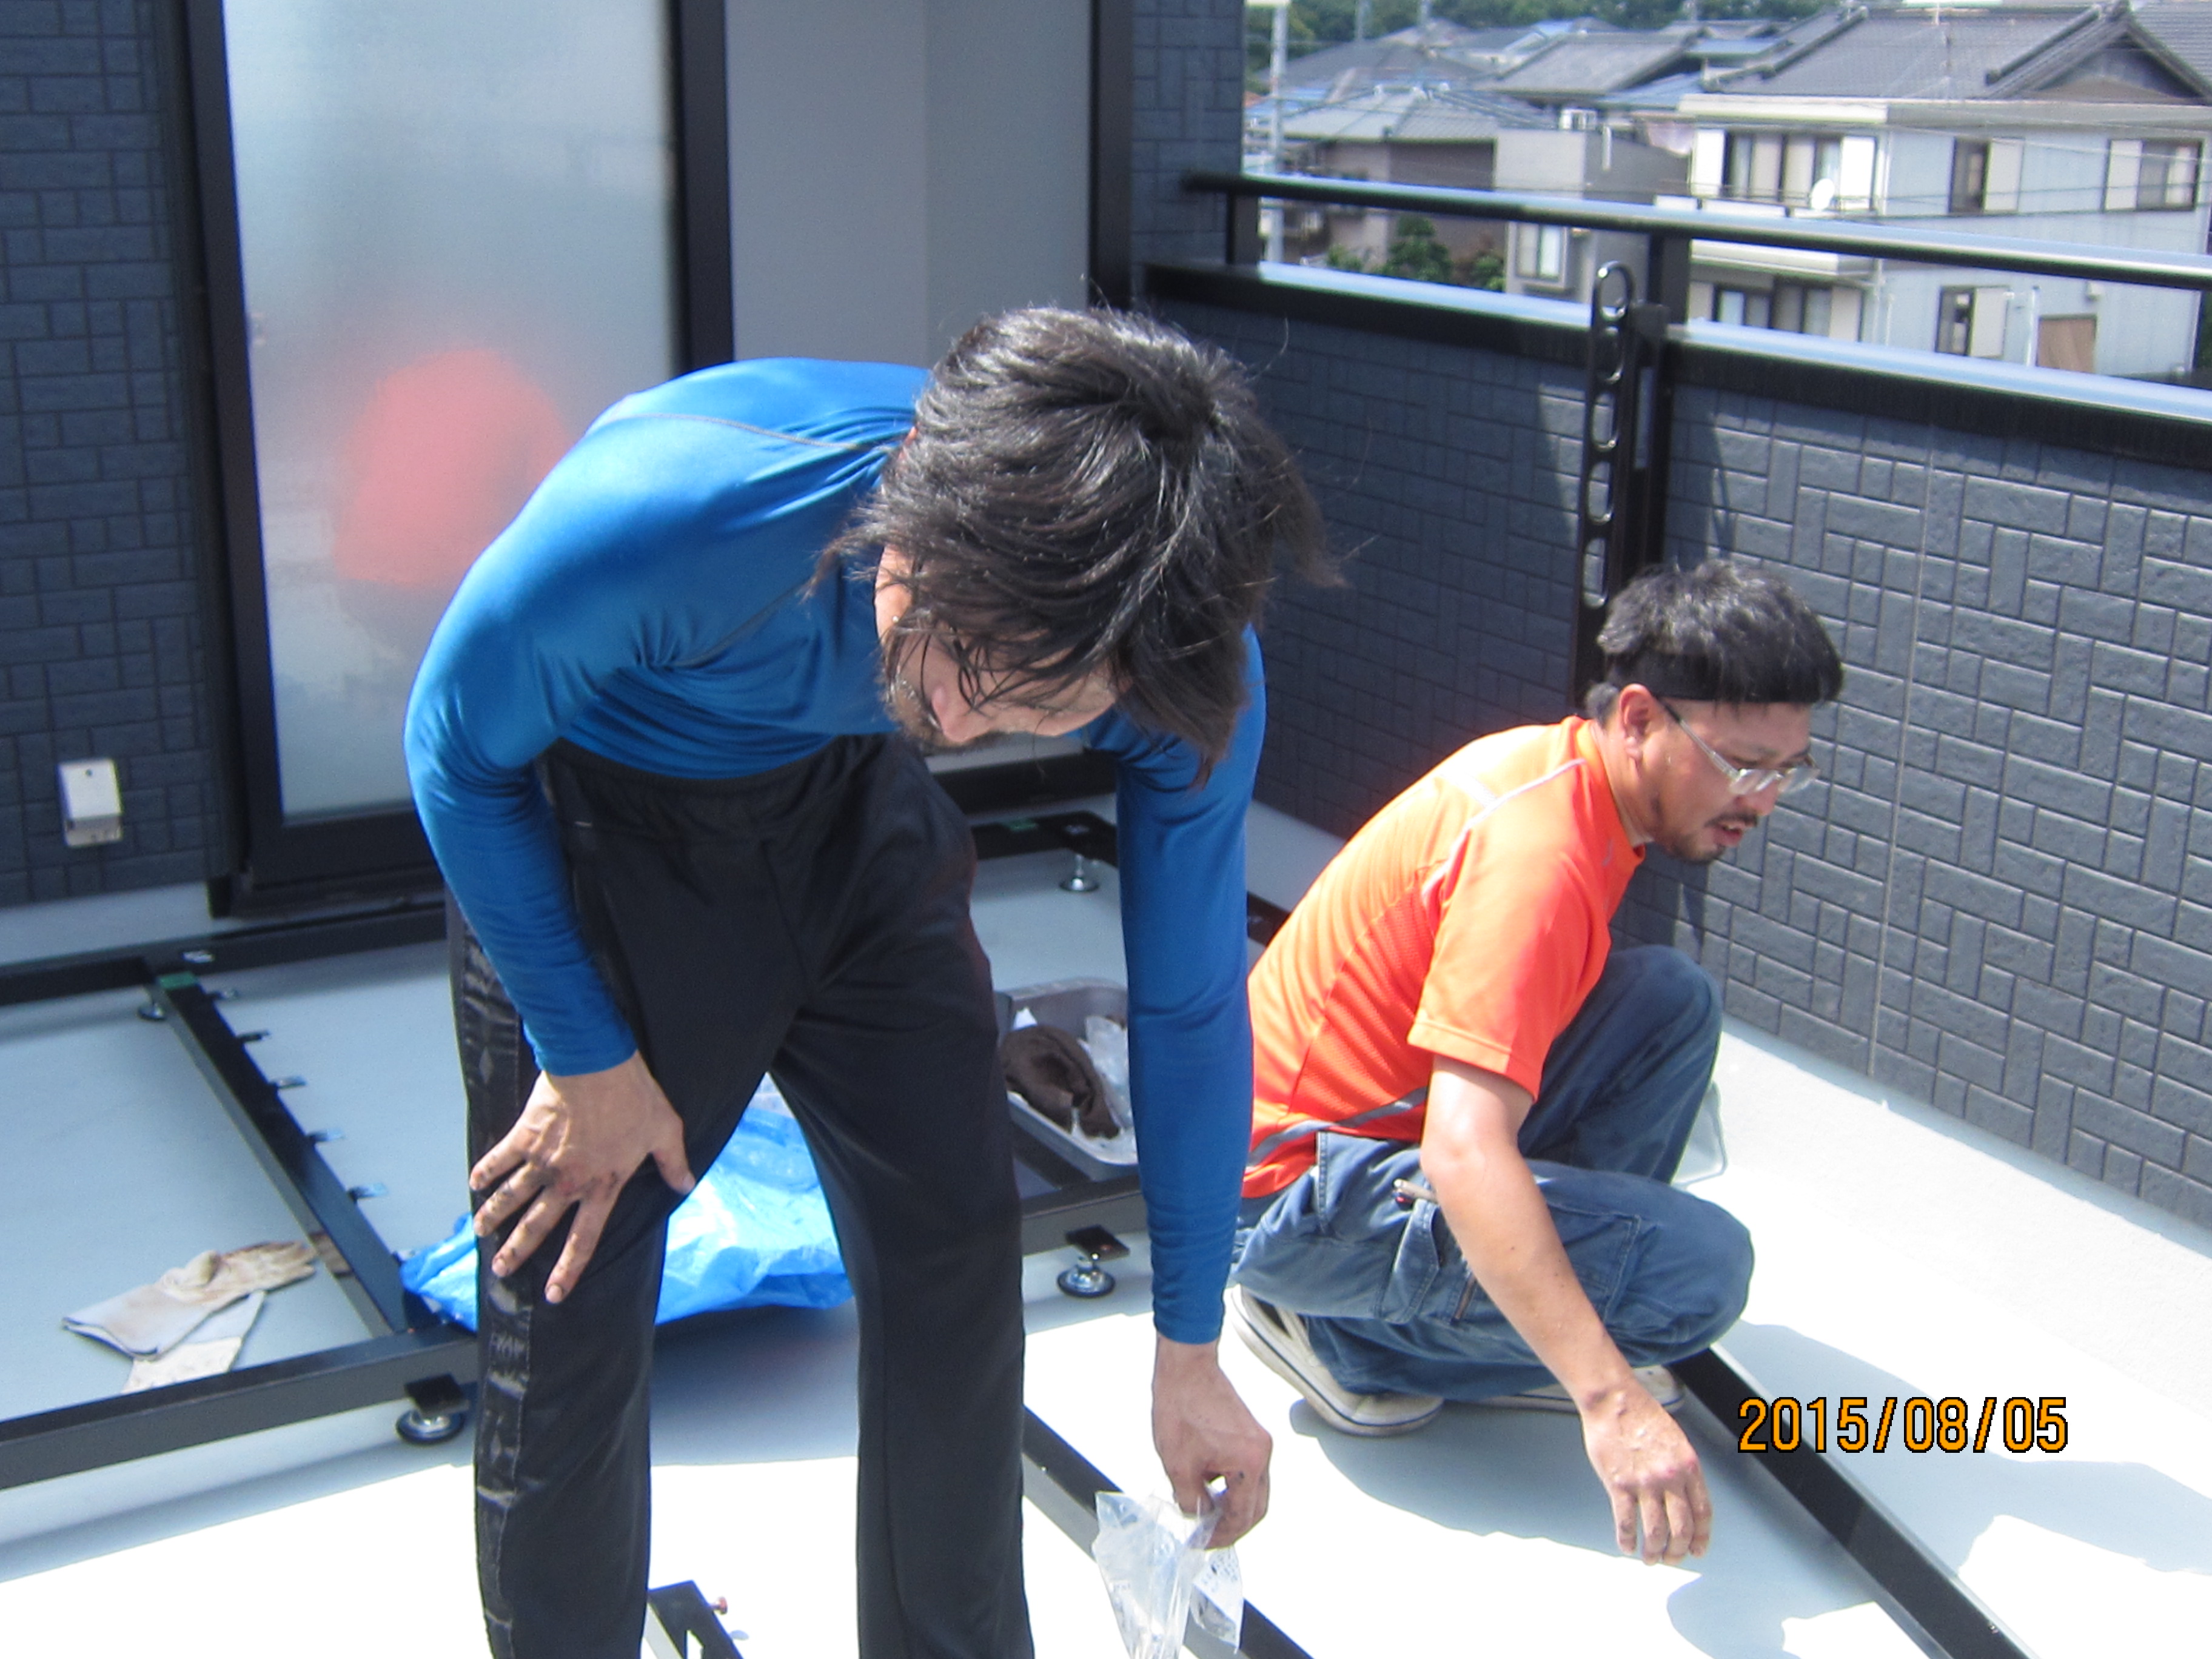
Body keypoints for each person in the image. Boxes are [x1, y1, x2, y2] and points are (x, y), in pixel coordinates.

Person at [403, 307, 1326, 1659]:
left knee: (957, 1238)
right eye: (957, 654)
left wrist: (1190, 1348)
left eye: (1022, 710)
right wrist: (584, 1053)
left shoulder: (1179, 657)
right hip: (603, 819)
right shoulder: (686, 512)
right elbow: (451, 749)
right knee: (569, 1289)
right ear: (920, 527)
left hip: (851, 797)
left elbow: (1189, 1006)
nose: (957, 719)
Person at [1224, 560, 1844, 1567]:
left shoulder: (1565, 779)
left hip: (1347, 1142)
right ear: (1638, 719)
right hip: (1290, 1197)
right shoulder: (1540, 857)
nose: (1763, 799)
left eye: (1788, 771)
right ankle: (1347, 1337)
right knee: (1702, 1274)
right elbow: (1465, 1152)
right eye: (1742, 764)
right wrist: (1610, 1397)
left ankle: (1503, 1311)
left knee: (1669, 1002)